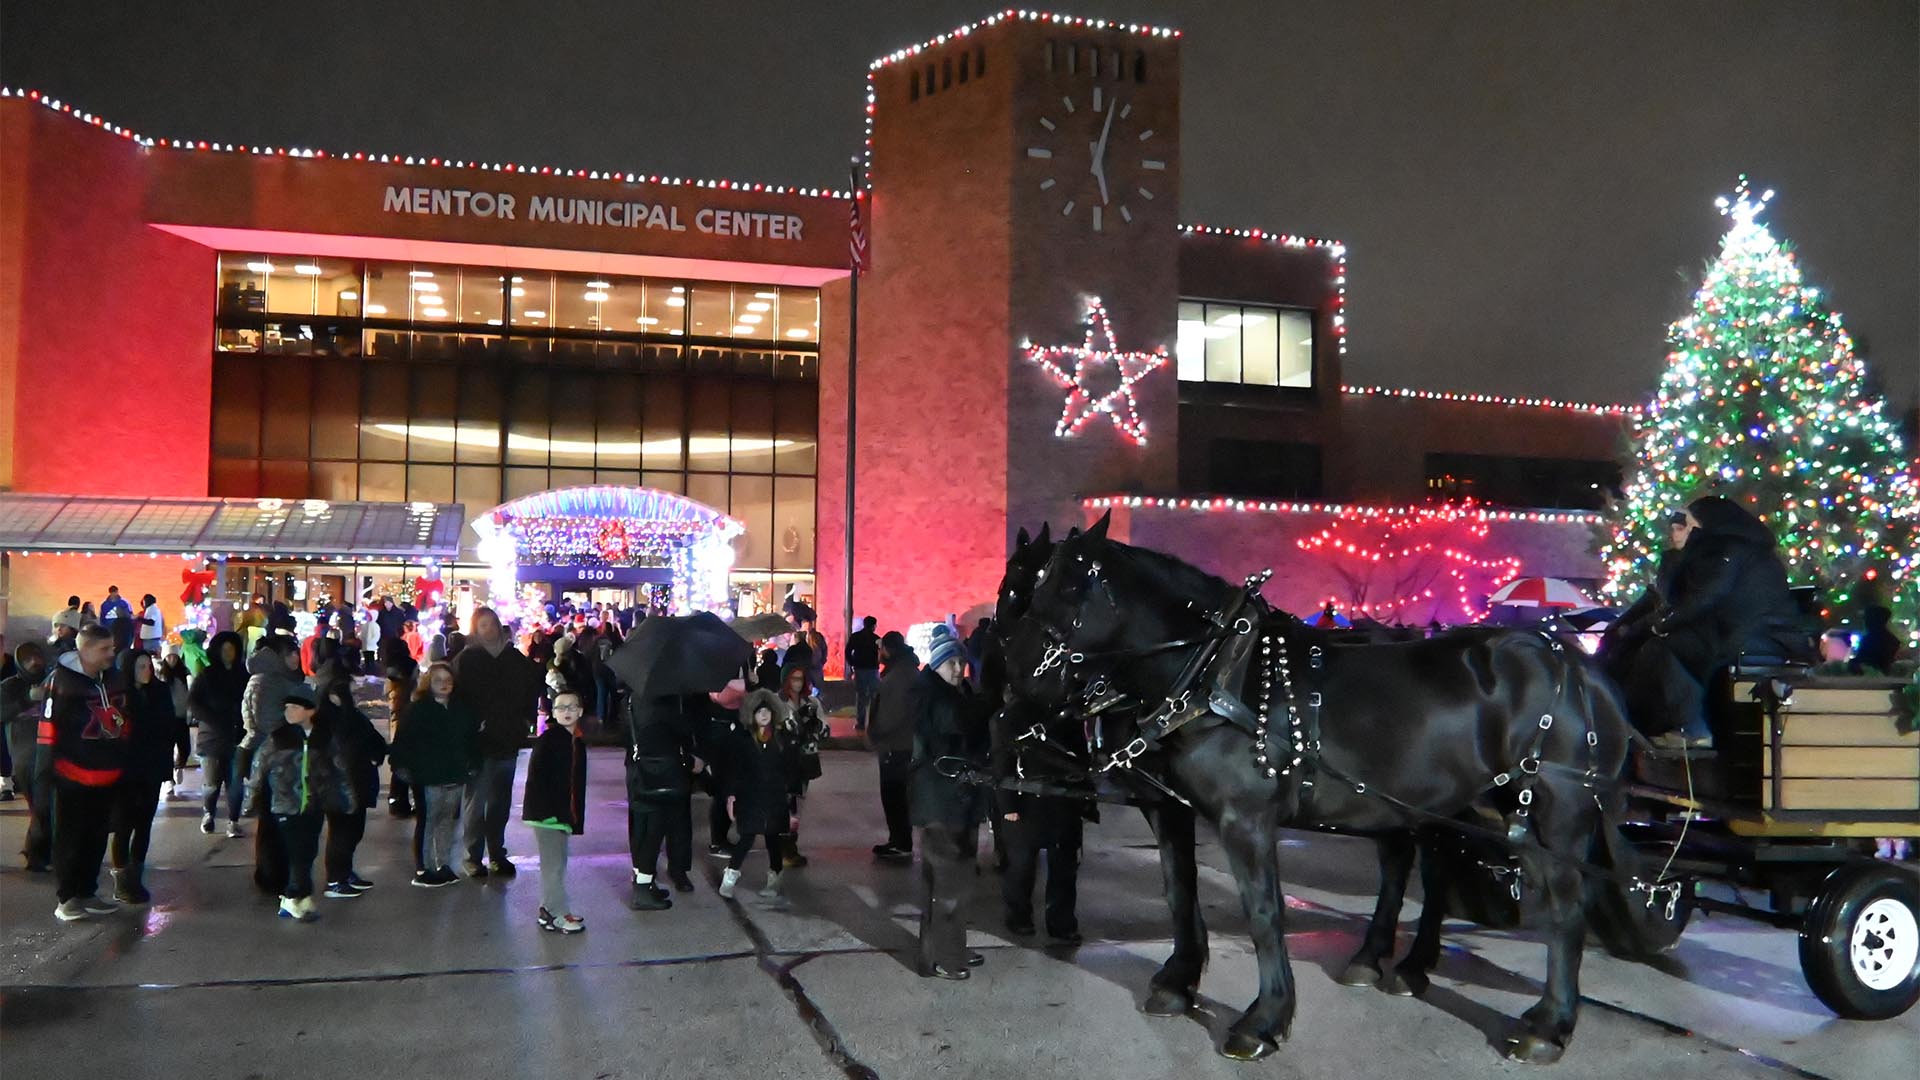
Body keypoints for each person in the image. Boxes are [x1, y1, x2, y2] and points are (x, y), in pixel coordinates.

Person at [1615, 495, 1814, 748]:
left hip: (1747, 642)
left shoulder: (1725, 550)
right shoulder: (1749, 550)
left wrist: (1658, 625)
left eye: (1689, 525)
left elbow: (1702, 598)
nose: (1683, 533)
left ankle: (1692, 728)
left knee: (1660, 648)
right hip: (1761, 639)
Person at [908, 626, 989, 979]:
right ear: (936, 663)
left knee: (960, 880)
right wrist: (988, 707)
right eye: (950, 662)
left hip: (960, 799)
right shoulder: (930, 695)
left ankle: (953, 945)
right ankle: (940, 956)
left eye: (961, 662)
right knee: (945, 882)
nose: (958, 669)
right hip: (940, 801)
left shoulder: (957, 692)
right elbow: (953, 731)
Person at [43, 625, 128, 921]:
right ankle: (67, 898)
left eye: (112, 648)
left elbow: (123, 719)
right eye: (104, 649)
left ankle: (87, 892)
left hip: (106, 773)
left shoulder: (112, 678)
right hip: (72, 775)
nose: (111, 654)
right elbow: (47, 730)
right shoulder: (62, 682)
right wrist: (46, 772)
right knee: (70, 838)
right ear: (85, 649)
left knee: (96, 836)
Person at [453, 607, 542, 878]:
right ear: (475, 629)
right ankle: (472, 856)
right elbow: (457, 696)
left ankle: (497, 853)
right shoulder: (467, 659)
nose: (489, 629)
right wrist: (469, 724)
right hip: (478, 742)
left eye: (492, 624)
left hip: (507, 738)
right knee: (475, 802)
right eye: (483, 625)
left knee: (500, 802)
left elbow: (531, 688)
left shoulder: (513, 658)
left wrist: (525, 720)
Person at [242, 684, 343, 922]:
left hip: (314, 804)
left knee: (308, 850)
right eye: (287, 707)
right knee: (297, 852)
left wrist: (343, 797)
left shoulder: (324, 738)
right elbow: (258, 770)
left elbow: (338, 769)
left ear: (311, 711)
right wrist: (250, 801)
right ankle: (294, 895)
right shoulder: (277, 738)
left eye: (295, 707)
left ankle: (296, 898)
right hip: (285, 805)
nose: (289, 711)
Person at [994, 699, 1086, 946]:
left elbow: (1081, 757)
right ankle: (1019, 916)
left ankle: (1061, 923)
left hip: (1062, 800)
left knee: (1063, 867)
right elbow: (1002, 761)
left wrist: (1084, 800)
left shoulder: (1068, 714)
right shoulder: (1011, 716)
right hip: (1026, 800)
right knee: (1021, 867)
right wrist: (1008, 805)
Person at [391, 662, 478, 887]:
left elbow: (471, 740)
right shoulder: (417, 710)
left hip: (455, 774)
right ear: (429, 683)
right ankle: (424, 868)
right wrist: (402, 767)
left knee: (448, 820)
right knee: (428, 820)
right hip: (427, 775)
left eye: (448, 680)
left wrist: (471, 764)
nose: (444, 684)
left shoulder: (461, 709)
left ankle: (443, 864)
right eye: (438, 680)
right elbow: (403, 741)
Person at [107, 650, 180, 904]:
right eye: (140, 666)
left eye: (148, 666)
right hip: (126, 770)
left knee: (144, 823)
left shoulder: (159, 691)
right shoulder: (119, 695)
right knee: (124, 824)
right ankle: (121, 879)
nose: (147, 671)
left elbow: (169, 725)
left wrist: (170, 758)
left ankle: (135, 876)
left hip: (152, 767)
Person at [718, 688, 802, 904]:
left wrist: (791, 797)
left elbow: (791, 769)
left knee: (773, 839)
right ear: (751, 715)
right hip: (751, 797)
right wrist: (732, 796)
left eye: (767, 711)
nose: (764, 715)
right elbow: (735, 770)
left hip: (775, 798)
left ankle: (774, 879)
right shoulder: (744, 739)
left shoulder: (781, 739)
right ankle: (730, 876)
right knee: (746, 837)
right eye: (759, 712)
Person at [238, 635, 303, 887]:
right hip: (271, 758)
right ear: (278, 656)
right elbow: (267, 723)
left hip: (278, 755)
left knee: (278, 820)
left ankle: (275, 872)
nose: (296, 658)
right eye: (290, 653)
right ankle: (272, 875)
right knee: (274, 821)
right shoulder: (267, 681)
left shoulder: (275, 679)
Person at [524, 690, 589, 933]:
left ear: (580, 711)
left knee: (558, 864)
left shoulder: (575, 741)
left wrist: (573, 819)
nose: (566, 711)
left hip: (560, 816)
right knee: (553, 868)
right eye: (561, 707)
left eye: (571, 707)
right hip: (548, 816)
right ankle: (558, 914)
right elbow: (537, 780)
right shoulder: (551, 740)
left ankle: (547, 910)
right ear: (553, 712)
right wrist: (548, 812)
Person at [625, 694, 698, 909]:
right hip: (662, 775)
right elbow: (678, 732)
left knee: (643, 831)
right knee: (653, 833)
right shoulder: (667, 705)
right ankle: (643, 889)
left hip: (639, 773)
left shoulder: (630, 700)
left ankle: (645, 882)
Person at [320, 679, 386, 898]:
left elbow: (373, 739)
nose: (356, 695)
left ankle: (344, 872)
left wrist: (376, 753)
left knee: (353, 831)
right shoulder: (330, 720)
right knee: (342, 832)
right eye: (351, 692)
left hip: (357, 780)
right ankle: (335, 879)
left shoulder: (352, 716)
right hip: (340, 784)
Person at [189, 631, 248, 836]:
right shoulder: (207, 676)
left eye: (231, 649)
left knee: (235, 783)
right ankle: (208, 814)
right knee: (212, 783)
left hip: (238, 737)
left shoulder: (243, 676)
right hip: (212, 738)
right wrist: (212, 719)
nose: (228, 653)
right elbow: (194, 703)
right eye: (224, 650)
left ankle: (233, 821)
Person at [869, 632, 919, 862]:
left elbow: (893, 714)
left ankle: (901, 842)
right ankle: (898, 840)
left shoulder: (899, 676)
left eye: (881, 648)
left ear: (888, 650)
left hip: (896, 745)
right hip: (901, 743)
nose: (879, 653)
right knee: (896, 796)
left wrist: (877, 733)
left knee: (894, 795)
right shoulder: (905, 671)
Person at [3, 642, 52, 871]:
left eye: (36, 657)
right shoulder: (10, 686)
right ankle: (36, 853)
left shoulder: (52, 682)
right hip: (24, 755)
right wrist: (27, 700)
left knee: (47, 805)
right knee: (39, 806)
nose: (33, 663)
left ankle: (42, 851)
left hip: (50, 751)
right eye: (27, 659)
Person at [777, 664, 827, 868]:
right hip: (785, 760)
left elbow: (824, 729)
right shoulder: (778, 702)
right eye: (793, 679)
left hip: (806, 759)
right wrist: (795, 722)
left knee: (798, 806)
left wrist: (815, 724)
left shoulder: (812, 702)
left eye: (800, 679)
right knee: (786, 805)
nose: (797, 683)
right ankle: (784, 849)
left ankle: (790, 846)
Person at [380, 632, 420, 817]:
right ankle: (410, 801)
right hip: (408, 713)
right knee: (410, 761)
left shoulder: (389, 668)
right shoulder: (410, 665)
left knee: (399, 763)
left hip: (396, 715)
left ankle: (397, 801)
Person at [846, 616, 882, 734]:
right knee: (873, 695)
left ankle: (860, 722)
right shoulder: (876, 639)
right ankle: (873, 721)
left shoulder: (855, 637)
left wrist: (852, 663)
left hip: (859, 669)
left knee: (861, 695)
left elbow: (848, 651)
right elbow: (881, 654)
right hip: (872, 669)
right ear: (874, 626)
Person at [100, 586, 135, 652]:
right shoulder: (104, 605)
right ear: (110, 593)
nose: (115, 594)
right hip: (110, 631)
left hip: (122, 631)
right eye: (113, 592)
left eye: (115, 592)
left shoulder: (124, 603)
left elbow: (130, 615)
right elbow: (102, 619)